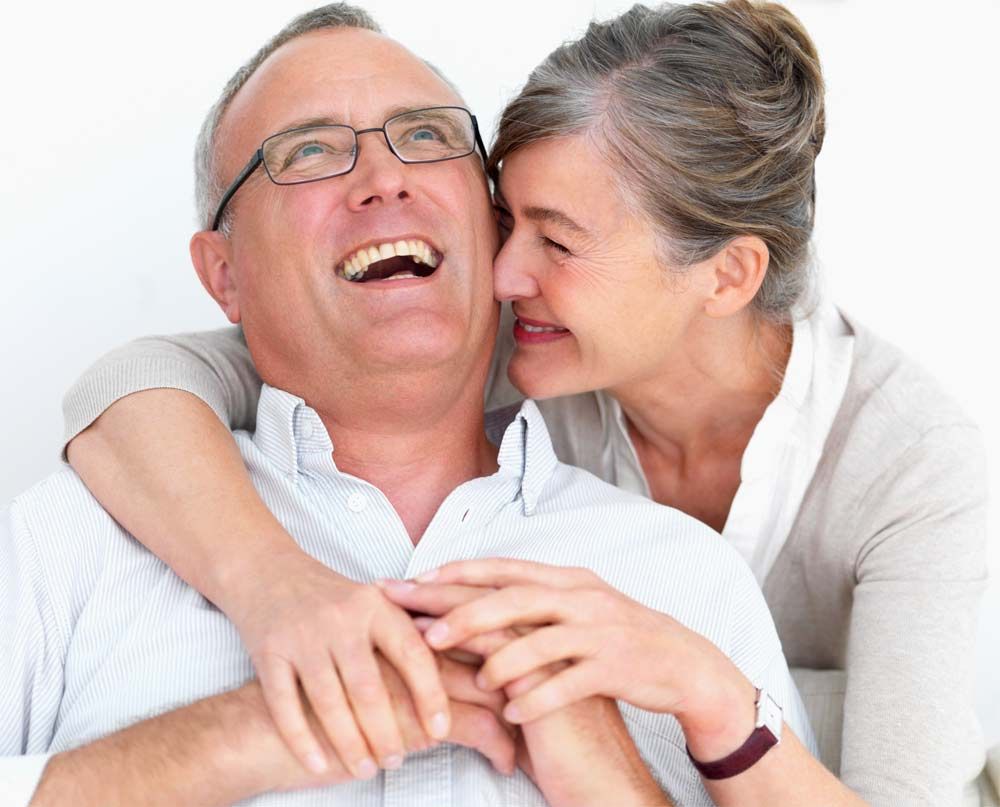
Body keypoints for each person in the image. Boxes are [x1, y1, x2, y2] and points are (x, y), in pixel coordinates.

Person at [57, 1, 990, 806]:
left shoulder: (919, 477)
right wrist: (271, 585)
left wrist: (714, 692)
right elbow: (142, 380)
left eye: (557, 240)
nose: (503, 274)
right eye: (508, 220)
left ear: (725, 277)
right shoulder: (532, 341)